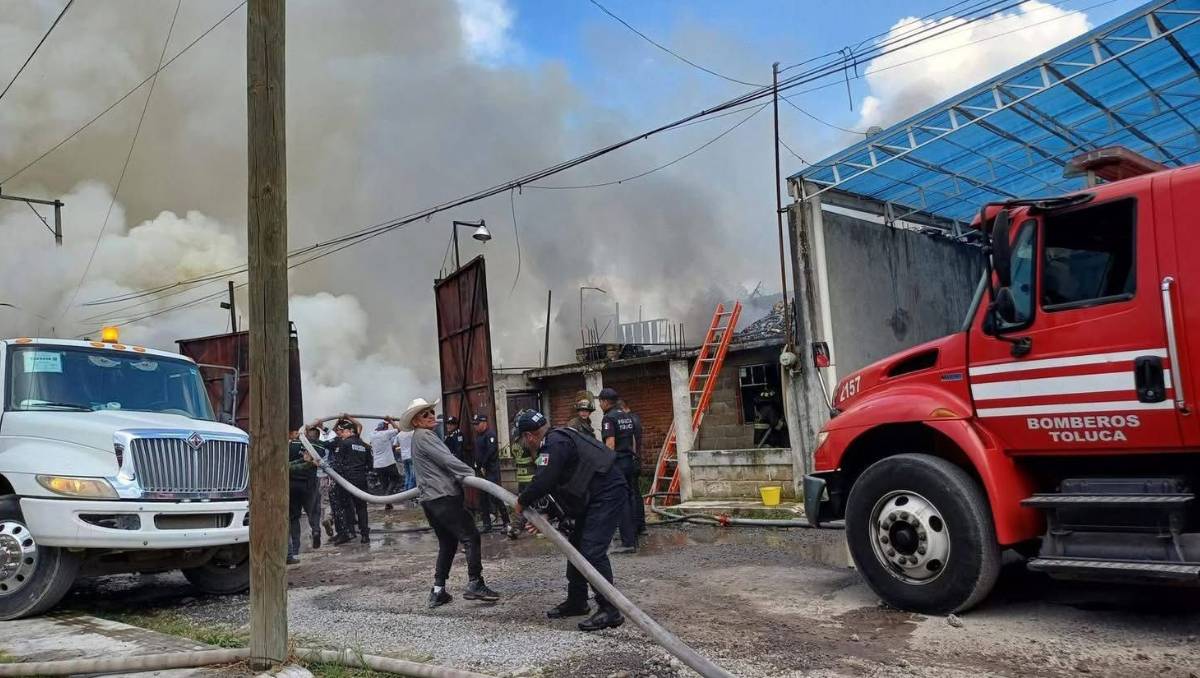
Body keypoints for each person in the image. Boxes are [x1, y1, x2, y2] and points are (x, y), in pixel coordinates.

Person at [512, 409, 628, 632]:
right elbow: (562, 486)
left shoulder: (554, 443)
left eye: (523, 440)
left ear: (529, 436)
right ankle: (577, 601)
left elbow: (544, 480)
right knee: (575, 546)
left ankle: (610, 610)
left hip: (607, 494)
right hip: (592, 496)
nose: (524, 445)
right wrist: (547, 515)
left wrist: (521, 501)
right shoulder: (557, 440)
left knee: (592, 551)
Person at [401, 397, 500, 607]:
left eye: (431, 411)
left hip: (431, 500)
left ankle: (438, 590)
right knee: (471, 536)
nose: (431, 416)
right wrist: (471, 474)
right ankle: (475, 583)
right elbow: (447, 460)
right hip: (443, 497)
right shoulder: (425, 436)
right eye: (425, 414)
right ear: (416, 421)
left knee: (447, 543)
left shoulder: (420, 437)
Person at [598, 388, 640, 553]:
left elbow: (610, 444)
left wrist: (605, 466)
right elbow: (632, 439)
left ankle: (628, 543)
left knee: (621, 501)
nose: (600, 405)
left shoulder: (609, 418)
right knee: (631, 498)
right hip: (629, 461)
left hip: (618, 464)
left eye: (600, 401)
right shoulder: (626, 415)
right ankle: (634, 537)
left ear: (605, 402)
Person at [321, 414, 372, 545]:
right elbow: (370, 465)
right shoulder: (365, 445)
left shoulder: (343, 444)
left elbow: (338, 464)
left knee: (344, 507)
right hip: (361, 479)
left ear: (350, 431)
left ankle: (347, 532)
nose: (341, 434)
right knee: (361, 508)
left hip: (346, 480)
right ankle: (365, 535)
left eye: (342, 431)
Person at [471, 414, 514, 536]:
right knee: (482, 499)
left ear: (484, 423)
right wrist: (476, 465)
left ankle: (506, 522)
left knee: (496, 497)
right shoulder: (478, 436)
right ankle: (487, 524)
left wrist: (483, 465)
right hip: (481, 472)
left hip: (491, 471)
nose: (475, 427)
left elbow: (490, 452)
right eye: (474, 424)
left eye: (477, 424)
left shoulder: (490, 435)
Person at [287, 426, 323, 564]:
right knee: (313, 511)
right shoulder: (318, 446)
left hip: (292, 484)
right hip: (309, 484)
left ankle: (295, 548)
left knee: (294, 517)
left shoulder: (291, 445)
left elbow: (288, 464)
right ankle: (316, 530)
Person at [617, 398, 647, 538]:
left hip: (628, 460)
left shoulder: (625, 421)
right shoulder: (636, 419)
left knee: (629, 495)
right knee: (636, 493)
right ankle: (641, 525)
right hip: (636, 460)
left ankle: (632, 527)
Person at [367, 419, 403, 510]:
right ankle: (388, 496)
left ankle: (388, 503)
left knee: (384, 483)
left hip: (378, 465)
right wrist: (391, 421)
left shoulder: (372, 435)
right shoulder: (386, 434)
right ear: (385, 428)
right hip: (388, 462)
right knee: (396, 479)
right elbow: (399, 429)